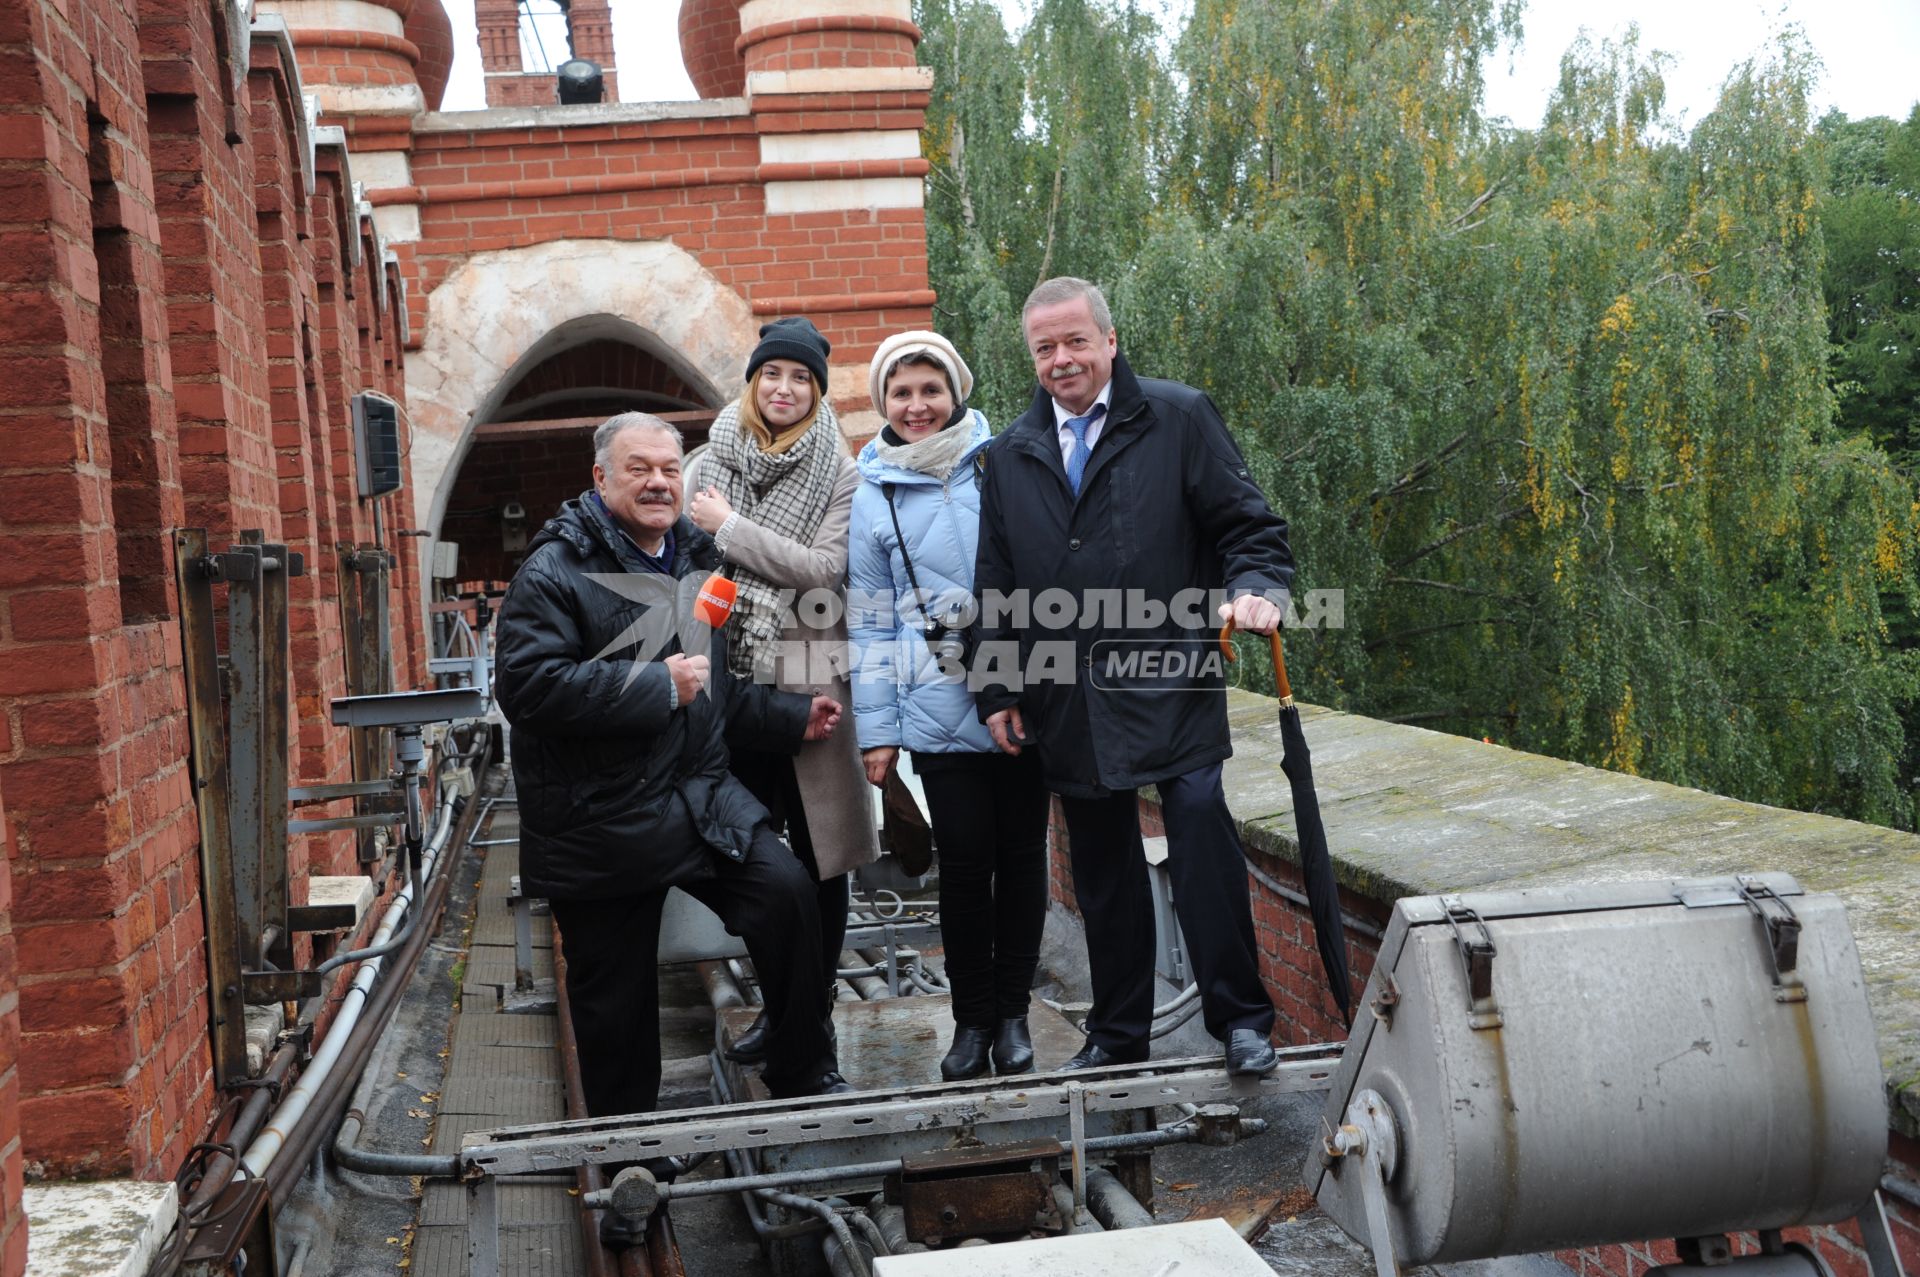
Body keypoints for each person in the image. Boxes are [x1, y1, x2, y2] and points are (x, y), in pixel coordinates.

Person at [495, 412, 855, 1126]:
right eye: (639, 468)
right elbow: (528, 688)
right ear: (600, 478)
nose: (659, 481)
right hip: (598, 819)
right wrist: (655, 687)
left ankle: (802, 1071)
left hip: (698, 800)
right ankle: (629, 1158)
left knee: (788, 897)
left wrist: (789, 718)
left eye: (668, 467)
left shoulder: (695, 555)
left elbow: (708, 686)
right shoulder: (554, 569)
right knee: (617, 1007)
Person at [972, 277, 1293, 1077]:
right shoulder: (1009, 454)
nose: (1062, 359)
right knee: (1104, 872)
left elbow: (1248, 526)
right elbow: (994, 583)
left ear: (1110, 341)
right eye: (1045, 347)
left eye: (1076, 341)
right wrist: (999, 687)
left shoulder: (1178, 416)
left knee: (1199, 833)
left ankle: (1242, 1020)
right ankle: (1118, 1036)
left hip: (1171, 675)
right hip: (1067, 694)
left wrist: (1256, 588)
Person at [846, 331, 1049, 1080]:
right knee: (964, 866)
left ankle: (1016, 1014)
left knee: (1025, 860)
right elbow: (867, 621)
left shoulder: (1005, 462)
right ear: (884, 404)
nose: (917, 405)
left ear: (955, 390)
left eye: (930, 388)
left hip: (1023, 689)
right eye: (901, 393)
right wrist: (878, 733)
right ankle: (972, 1022)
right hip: (932, 701)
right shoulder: (871, 494)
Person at [685, 318, 880, 1065]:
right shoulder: (709, 458)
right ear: (753, 380)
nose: (785, 389)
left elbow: (822, 569)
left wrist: (729, 527)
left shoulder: (841, 469)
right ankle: (777, 1006)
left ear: (817, 390)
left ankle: (816, 1012)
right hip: (729, 683)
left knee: (821, 859)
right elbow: (686, 561)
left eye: (801, 378)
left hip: (806, 681)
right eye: (773, 375)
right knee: (754, 858)